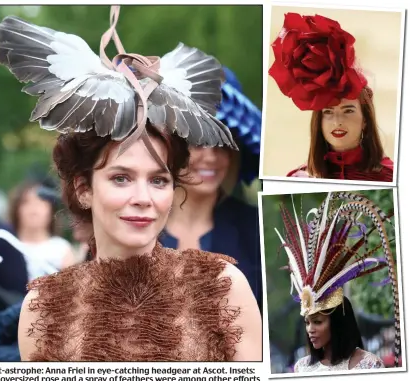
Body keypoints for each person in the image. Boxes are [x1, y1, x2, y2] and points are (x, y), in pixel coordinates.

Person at [0, 5, 262, 361]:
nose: (142, 198)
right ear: (83, 188)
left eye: (158, 180)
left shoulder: (225, 288)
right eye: (121, 178)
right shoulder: (41, 310)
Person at [161, 67, 263, 311]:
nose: (211, 157)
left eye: (222, 144)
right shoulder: (134, 224)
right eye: (198, 142)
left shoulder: (256, 229)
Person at [274, 191, 400, 371]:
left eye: (317, 322)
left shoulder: (369, 364)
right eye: (308, 322)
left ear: (338, 322)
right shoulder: (302, 367)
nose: (310, 329)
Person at [268, 13, 394, 182]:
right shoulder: (299, 180)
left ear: (365, 119)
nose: (337, 121)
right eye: (328, 112)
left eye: (348, 110)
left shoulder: (391, 178)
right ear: (318, 121)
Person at [8, 179, 74, 281]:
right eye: (26, 202)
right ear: (16, 209)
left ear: (51, 210)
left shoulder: (62, 249)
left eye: (40, 202)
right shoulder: (6, 246)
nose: (34, 209)